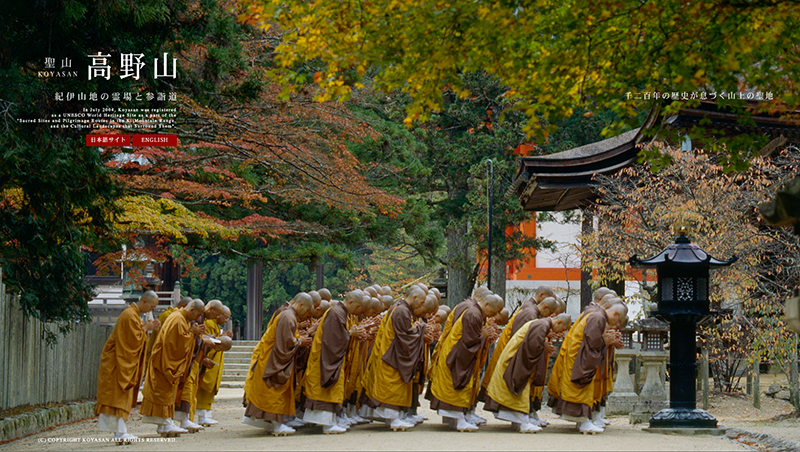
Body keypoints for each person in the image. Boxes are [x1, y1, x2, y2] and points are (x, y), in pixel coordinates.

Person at [428, 289, 503, 432]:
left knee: (459, 386)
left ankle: (457, 419)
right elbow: (469, 341)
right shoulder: (474, 314)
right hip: (457, 356)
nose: (493, 315)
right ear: (486, 303)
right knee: (459, 386)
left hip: (455, 352)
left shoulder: (474, 311)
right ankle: (459, 420)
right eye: (493, 311)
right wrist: (482, 336)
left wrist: (482, 335)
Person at [547, 302, 627, 434]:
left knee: (583, 388)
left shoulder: (597, 314)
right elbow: (593, 342)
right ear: (615, 313)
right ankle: (584, 422)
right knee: (581, 387)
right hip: (580, 356)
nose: (617, 325)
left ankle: (583, 421)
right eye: (618, 321)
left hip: (579, 354)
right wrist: (605, 341)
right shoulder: (598, 317)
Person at [485, 314, 572, 433]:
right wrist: (543, 347)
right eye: (562, 329)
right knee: (520, 389)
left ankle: (520, 421)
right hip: (517, 360)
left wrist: (543, 345)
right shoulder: (542, 325)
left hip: (515, 358)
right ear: (559, 322)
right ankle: (523, 423)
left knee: (518, 391)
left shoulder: (541, 324)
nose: (560, 332)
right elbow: (532, 347)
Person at [242, 293, 314, 435]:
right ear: (301, 305)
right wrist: (300, 341)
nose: (306, 315)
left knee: (276, 392)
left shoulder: (289, 315)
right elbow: (285, 342)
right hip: (274, 361)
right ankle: (276, 425)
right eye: (306, 311)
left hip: (273, 359)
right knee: (275, 391)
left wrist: (299, 337)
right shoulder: (288, 316)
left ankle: (275, 423)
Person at [95, 291, 160, 444]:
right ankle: (119, 432)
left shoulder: (134, 315)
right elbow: (131, 342)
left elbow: (135, 338)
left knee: (120, 397)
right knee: (116, 397)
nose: (151, 310)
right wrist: (145, 329)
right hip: (117, 363)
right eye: (151, 306)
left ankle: (121, 431)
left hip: (121, 362)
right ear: (144, 301)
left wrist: (146, 328)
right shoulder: (129, 315)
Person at [141, 299, 210, 437]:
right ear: (191, 310)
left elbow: (181, 339)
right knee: (163, 393)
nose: (198, 319)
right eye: (197, 315)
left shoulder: (182, 318)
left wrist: (192, 332)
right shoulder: (178, 319)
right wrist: (192, 333)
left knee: (168, 394)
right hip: (165, 364)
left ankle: (165, 423)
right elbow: (175, 344)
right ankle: (165, 424)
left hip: (168, 363)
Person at [365, 286, 431, 430]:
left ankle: (394, 418)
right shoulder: (402, 310)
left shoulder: (402, 308)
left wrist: (418, 329)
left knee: (396, 386)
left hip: (392, 353)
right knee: (392, 386)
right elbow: (406, 336)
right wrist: (421, 329)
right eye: (421, 302)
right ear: (414, 297)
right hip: (392, 356)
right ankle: (393, 419)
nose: (421, 305)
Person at [303, 291, 364, 434]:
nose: (358, 310)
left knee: (333, 388)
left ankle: (330, 422)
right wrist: (351, 334)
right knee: (327, 388)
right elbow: (333, 340)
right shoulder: (336, 313)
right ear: (350, 302)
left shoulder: (340, 312)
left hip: (330, 358)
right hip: (326, 359)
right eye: (358, 306)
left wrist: (350, 333)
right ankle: (327, 424)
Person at [173, 299, 224, 432]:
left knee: (190, 388)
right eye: (216, 314)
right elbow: (183, 338)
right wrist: (200, 338)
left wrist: (203, 339)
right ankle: (183, 420)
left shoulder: (198, 318)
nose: (216, 318)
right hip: (188, 359)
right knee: (186, 388)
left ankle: (186, 419)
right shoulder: (178, 318)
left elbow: (195, 338)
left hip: (194, 359)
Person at [196, 305, 234, 426]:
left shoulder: (215, 326)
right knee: (203, 389)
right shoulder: (209, 324)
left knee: (209, 390)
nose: (226, 320)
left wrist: (224, 337)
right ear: (218, 314)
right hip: (207, 361)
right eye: (225, 317)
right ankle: (202, 416)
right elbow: (205, 342)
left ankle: (206, 414)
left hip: (214, 362)